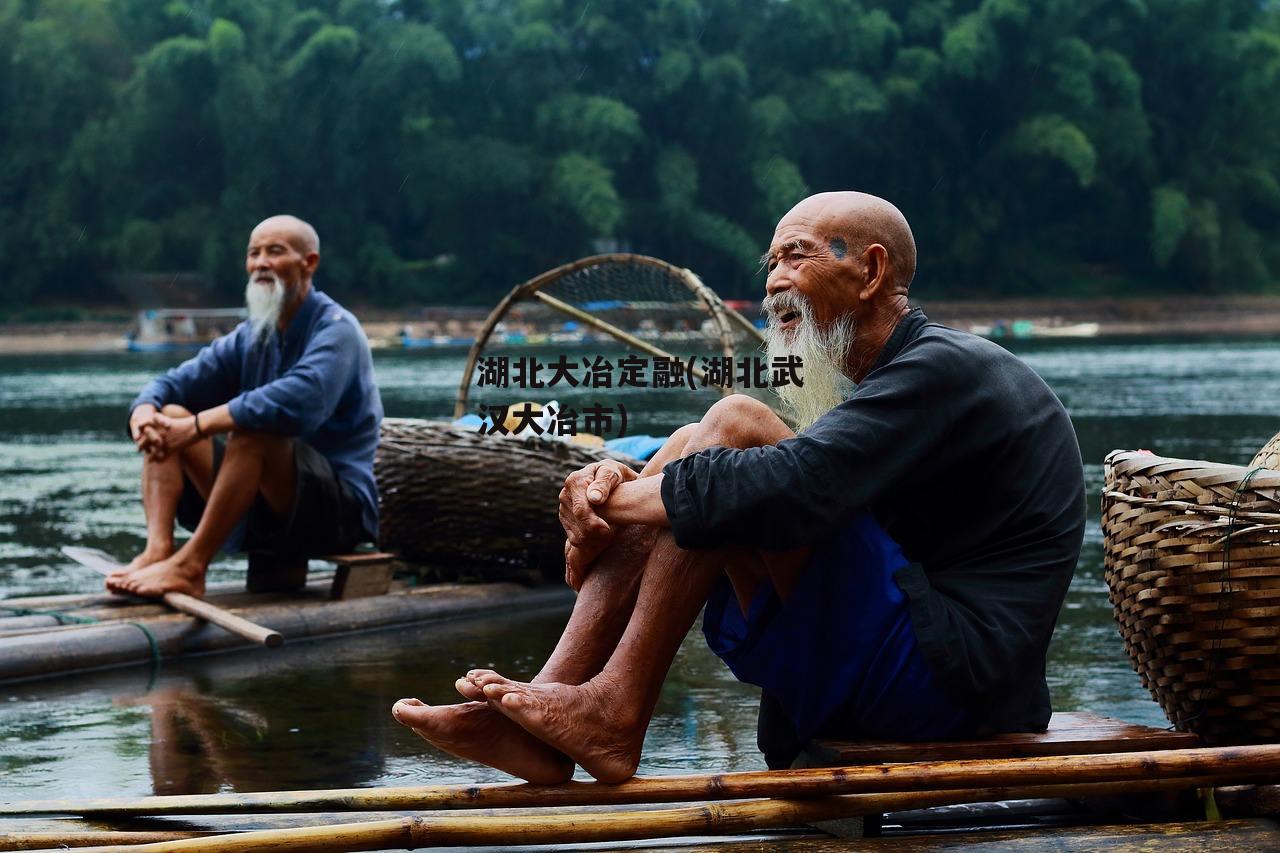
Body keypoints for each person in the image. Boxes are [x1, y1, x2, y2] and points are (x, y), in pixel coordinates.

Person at [392, 191, 1085, 783]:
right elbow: (793, 483)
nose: (774, 282)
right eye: (771, 263)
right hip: (907, 656)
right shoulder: (883, 383)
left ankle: (616, 710)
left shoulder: (944, 368)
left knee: (734, 422)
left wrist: (617, 503)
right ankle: (551, 708)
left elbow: (801, 481)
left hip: (958, 682)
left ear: (871, 270)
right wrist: (625, 480)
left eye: (798, 255)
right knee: (698, 443)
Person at [109, 215, 383, 599]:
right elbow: (175, 382)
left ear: (309, 263)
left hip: (338, 514)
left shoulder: (338, 329)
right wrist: (143, 410)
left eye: (275, 251)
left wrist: (201, 425)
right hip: (267, 508)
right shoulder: (252, 334)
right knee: (167, 415)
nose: (261, 263)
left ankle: (191, 567)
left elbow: (297, 401)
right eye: (254, 253)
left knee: (254, 429)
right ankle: (159, 551)